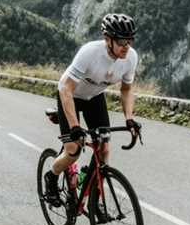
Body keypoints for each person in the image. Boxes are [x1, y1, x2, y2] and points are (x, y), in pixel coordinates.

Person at [43, 13, 142, 207]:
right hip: (70, 95)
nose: (126, 46)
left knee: (104, 148)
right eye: (122, 41)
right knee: (74, 150)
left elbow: (126, 89)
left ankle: (93, 194)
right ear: (108, 39)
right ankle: (51, 177)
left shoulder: (131, 57)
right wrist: (74, 126)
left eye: (130, 40)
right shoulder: (90, 52)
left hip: (94, 97)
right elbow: (66, 88)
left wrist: (129, 118)